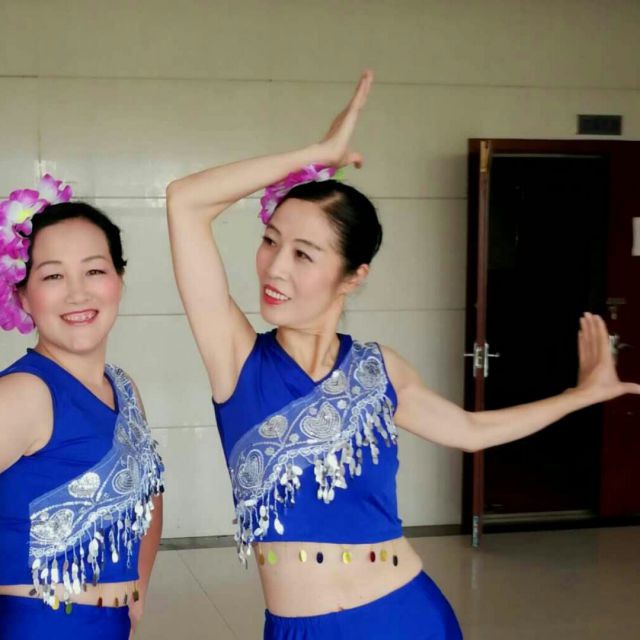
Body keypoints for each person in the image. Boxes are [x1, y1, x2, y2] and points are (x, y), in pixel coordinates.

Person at [166, 71, 639, 639]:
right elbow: (185, 202)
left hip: (404, 616)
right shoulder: (238, 360)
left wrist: (580, 396)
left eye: (304, 254)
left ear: (352, 276)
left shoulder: (378, 369)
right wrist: (314, 156)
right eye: (270, 241)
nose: (275, 267)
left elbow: (470, 431)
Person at [0, 176, 165, 639]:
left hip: (109, 625)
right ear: (22, 295)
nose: (77, 293)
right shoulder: (24, 393)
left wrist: (137, 590)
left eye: (94, 271)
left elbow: (149, 496)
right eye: (52, 276)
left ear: (119, 281)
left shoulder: (124, 388)